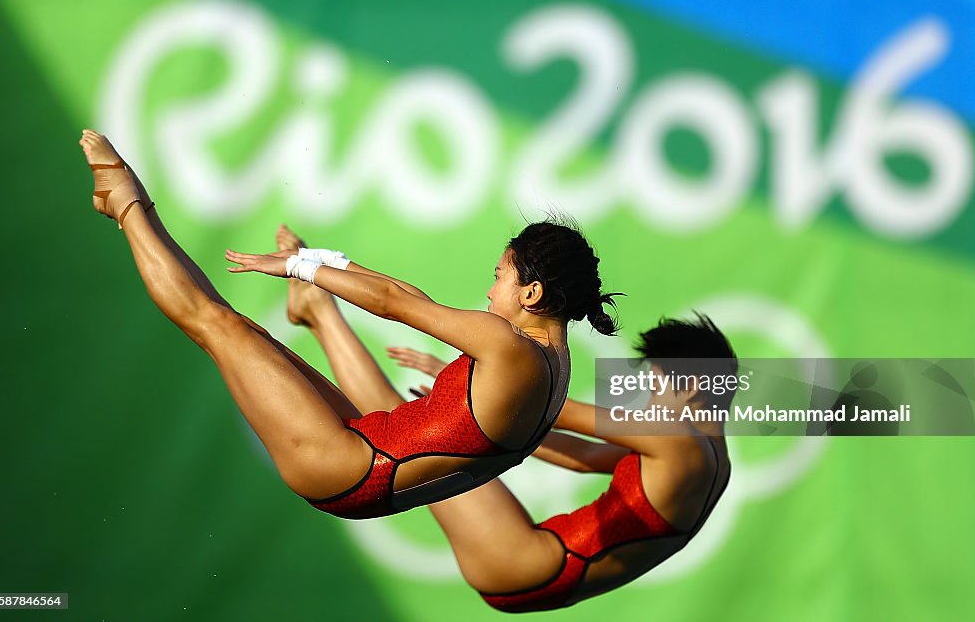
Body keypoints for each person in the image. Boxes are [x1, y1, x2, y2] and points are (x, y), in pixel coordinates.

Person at [78, 129, 619, 519]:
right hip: (364, 467)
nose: (488, 289)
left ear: (532, 292)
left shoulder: (508, 345)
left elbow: (392, 303)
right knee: (247, 336)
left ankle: (124, 199)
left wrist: (295, 265)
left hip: (347, 466)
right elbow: (411, 296)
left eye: (498, 276)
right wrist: (328, 261)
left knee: (215, 323)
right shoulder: (556, 361)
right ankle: (309, 308)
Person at [279, 223, 733, 612]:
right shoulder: (710, 459)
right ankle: (318, 313)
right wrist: (504, 421)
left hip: (520, 559)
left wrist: (490, 387)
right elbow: (580, 456)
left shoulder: (678, 441)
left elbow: (561, 410)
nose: (647, 397)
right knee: (406, 424)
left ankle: (319, 311)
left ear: (693, 386)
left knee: (396, 420)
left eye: (654, 384)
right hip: (533, 570)